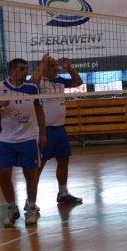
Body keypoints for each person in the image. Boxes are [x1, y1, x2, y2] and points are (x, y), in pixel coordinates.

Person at [0, 58, 46, 227]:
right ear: (11, 71)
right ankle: (11, 208)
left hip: (28, 138)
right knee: (3, 173)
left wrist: (43, 133)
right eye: (21, 69)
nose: (25, 71)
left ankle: (31, 207)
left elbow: (39, 110)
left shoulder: (32, 88)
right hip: (6, 138)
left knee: (30, 173)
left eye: (26, 68)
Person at [31, 53, 83, 205]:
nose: (54, 69)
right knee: (38, 165)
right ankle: (31, 200)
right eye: (51, 66)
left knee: (63, 160)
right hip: (44, 130)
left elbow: (78, 82)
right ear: (44, 68)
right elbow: (32, 82)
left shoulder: (60, 80)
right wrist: (43, 63)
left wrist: (69, 68)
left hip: (60, 129)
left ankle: (63, 193)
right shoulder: (39, 81)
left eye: (55, 66)